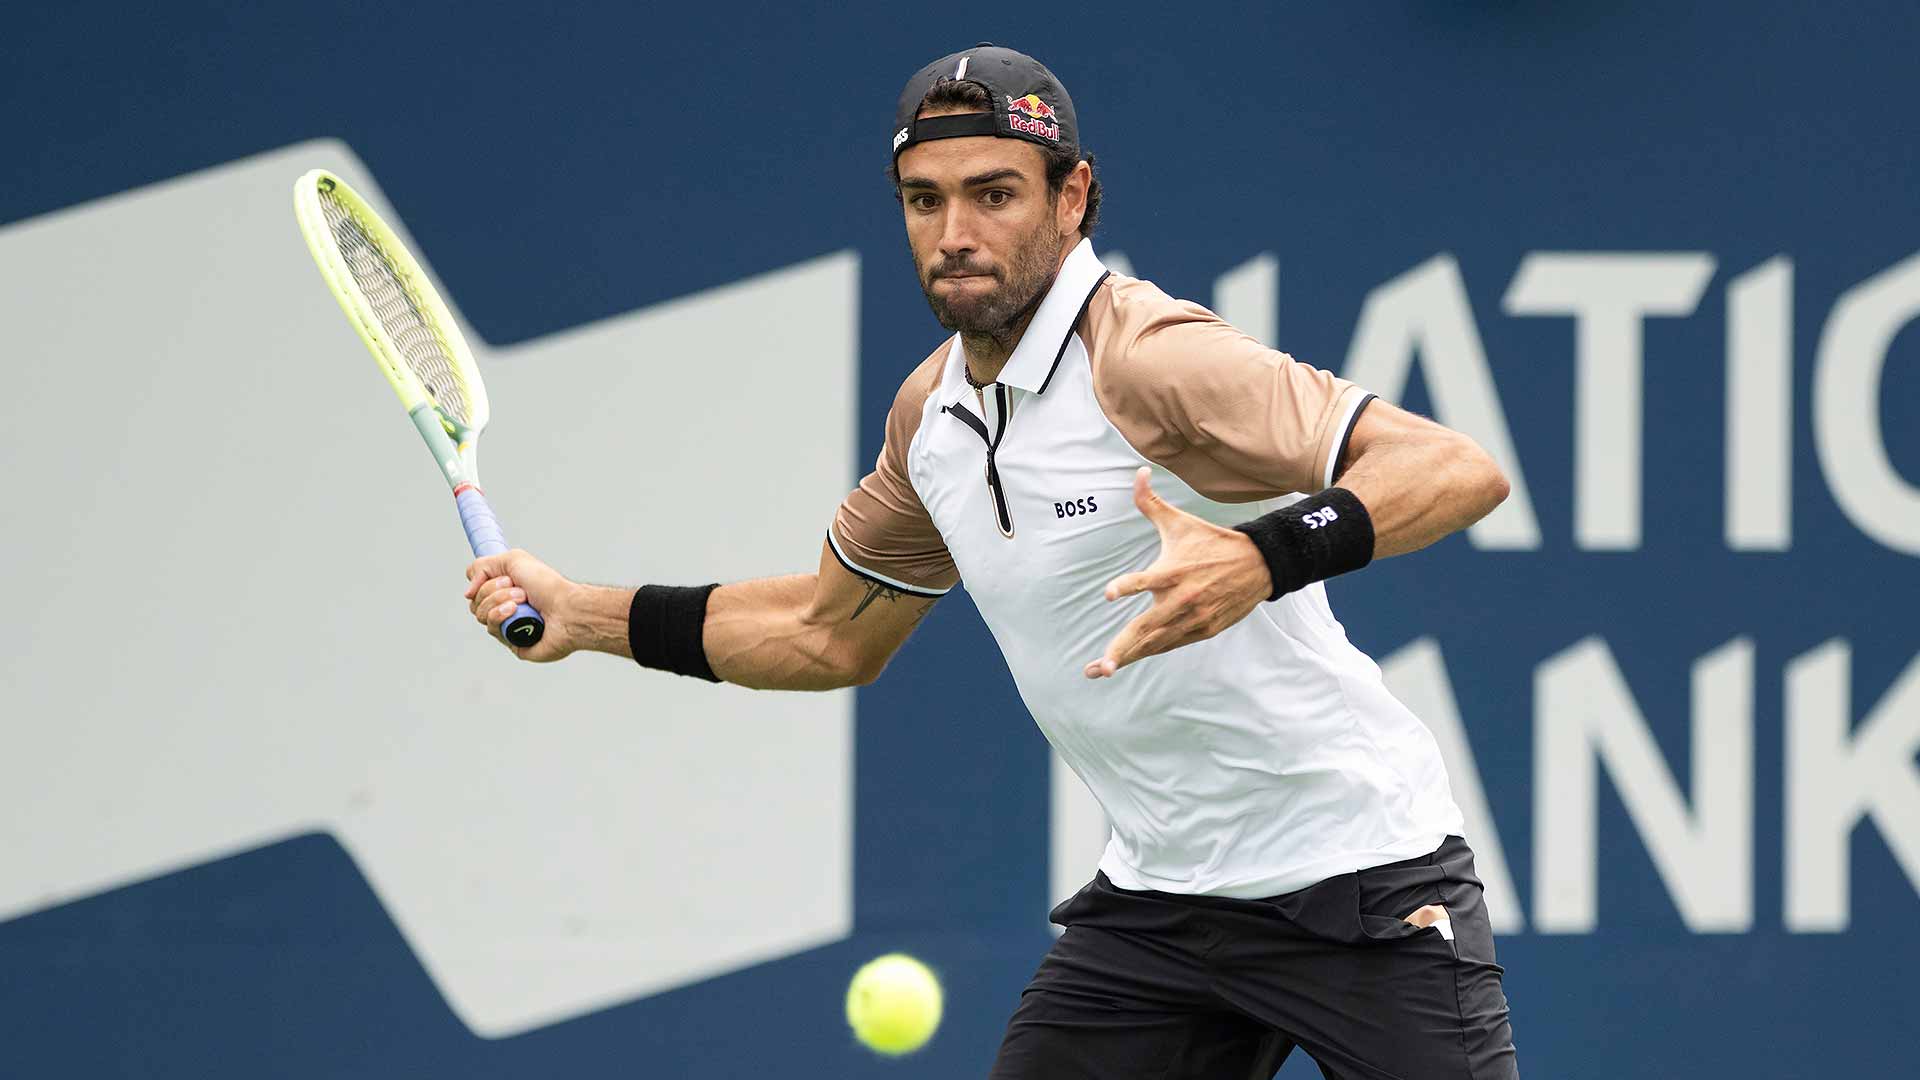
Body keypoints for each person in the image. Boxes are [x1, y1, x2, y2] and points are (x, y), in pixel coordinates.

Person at [464, 43, 1519, 1080]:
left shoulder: (1150, 359)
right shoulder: (932, 419)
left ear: (1074, 197)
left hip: (1363, 883)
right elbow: (827, 632)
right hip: (1165, 907)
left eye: (994, 194)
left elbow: (1454, 468)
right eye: (924, 202)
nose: (954, 234)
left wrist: (1263, 557)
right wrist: (587, 615)